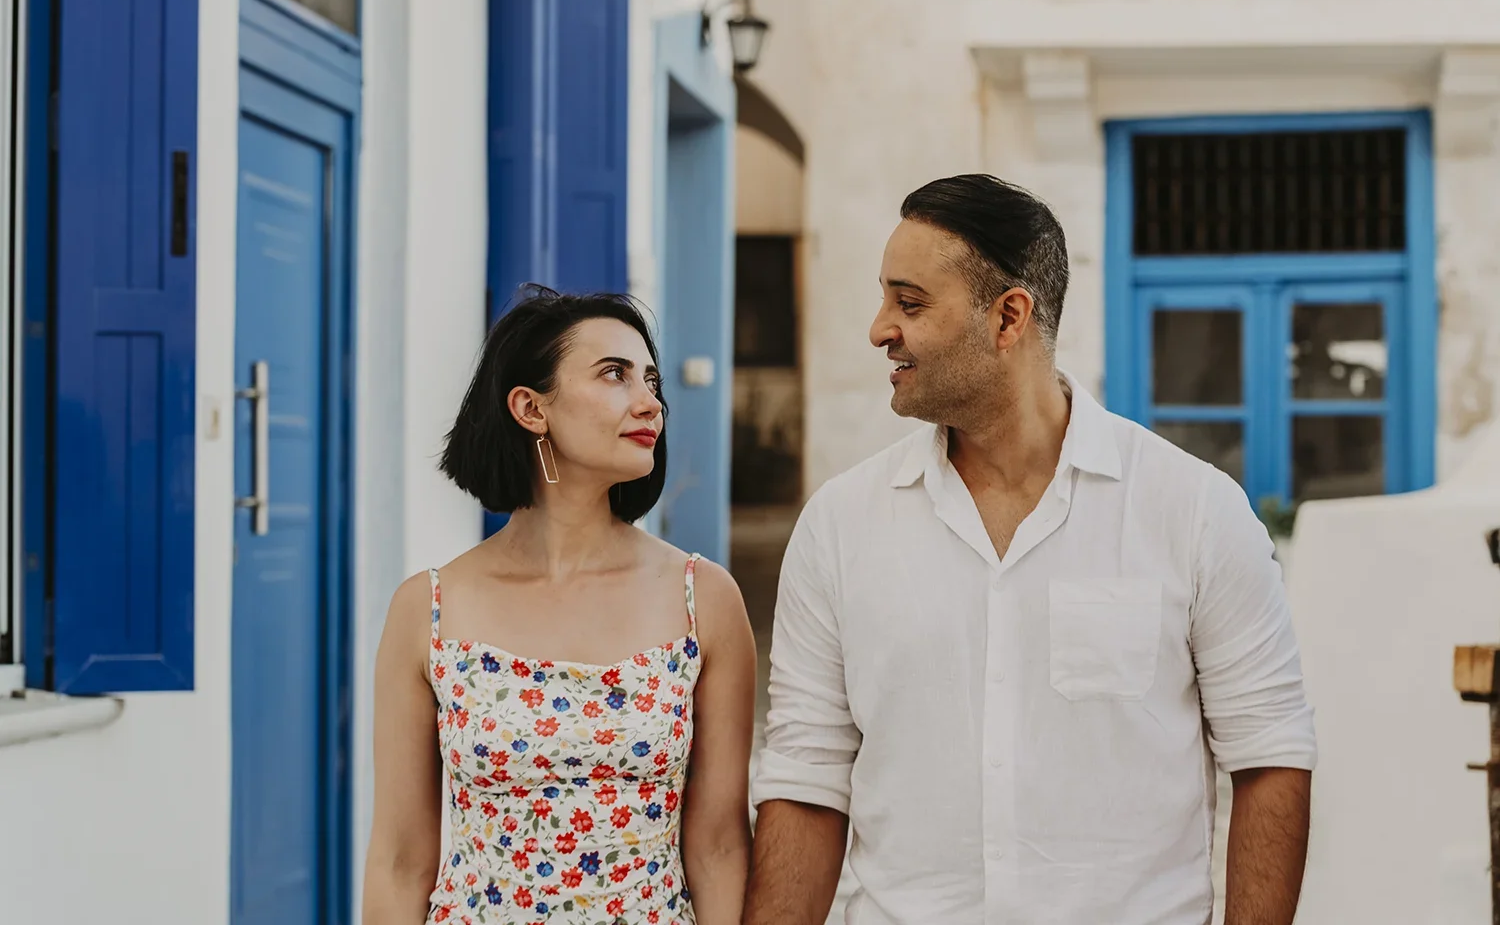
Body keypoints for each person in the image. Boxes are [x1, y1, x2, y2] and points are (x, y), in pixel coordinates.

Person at [743, 175, 1317, 924]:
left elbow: (1271, 756)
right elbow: (806, 777)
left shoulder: (1195, 511)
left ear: (1009, 317)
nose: (880, 328)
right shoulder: (839, 525)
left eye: (909, 302)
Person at [363, 287, 756, 925]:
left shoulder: (702, 600)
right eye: (614, 375)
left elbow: (718, 846)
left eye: (651, 379)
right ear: (530, 407)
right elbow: (401, 859)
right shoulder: (428, 609)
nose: (650, 401)